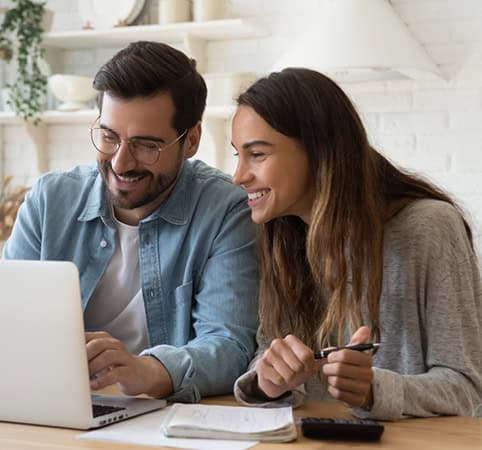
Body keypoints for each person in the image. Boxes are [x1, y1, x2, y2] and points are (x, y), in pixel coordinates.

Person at [2, 41, 259, 402]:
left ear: (192, 141)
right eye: (109, 137)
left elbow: (230, 345)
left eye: (146, 145)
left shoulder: (225, 211)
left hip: (163, 416)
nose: (121, 163)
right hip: (53, 406)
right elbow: (7, 320)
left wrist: (146, 371)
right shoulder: (49, 201)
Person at [230, 67, 482, 420]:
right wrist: (269, 382)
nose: (239, 175)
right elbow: (268, 352)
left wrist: (373, 390)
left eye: (257, 155)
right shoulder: (283, 237)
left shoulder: (429, 228)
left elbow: (467, 389)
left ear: (319, 153)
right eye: (237, 155)